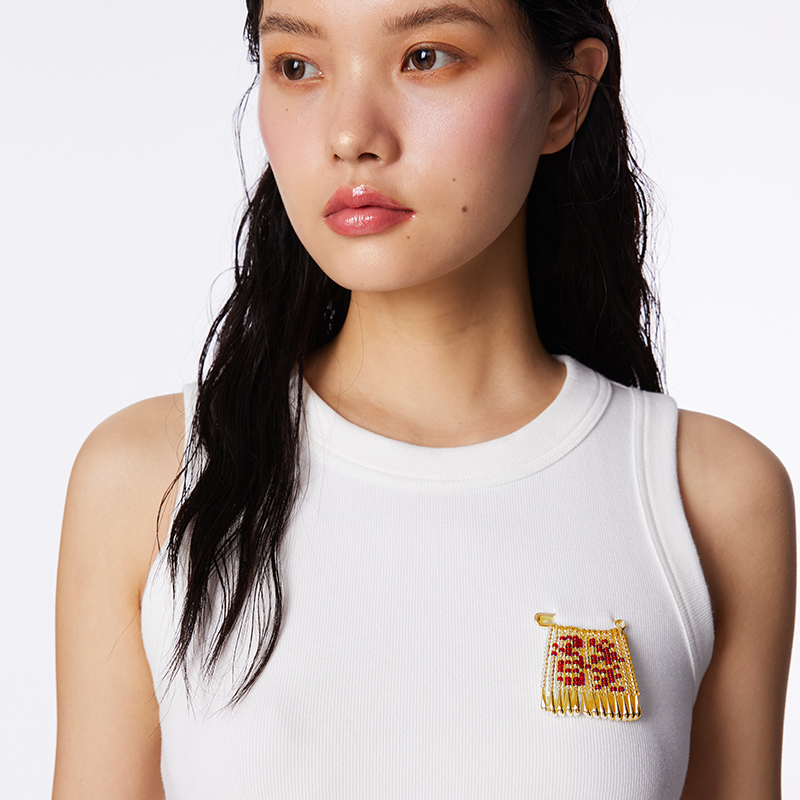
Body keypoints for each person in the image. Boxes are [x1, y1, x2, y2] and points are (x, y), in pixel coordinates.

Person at [52, 0, 795, 797]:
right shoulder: (150, 482)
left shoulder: (707, 498)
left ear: (565, 98)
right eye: (298, 67)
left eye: (426, 57)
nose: (350, 134)